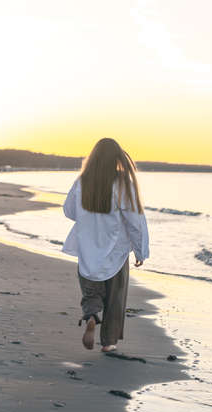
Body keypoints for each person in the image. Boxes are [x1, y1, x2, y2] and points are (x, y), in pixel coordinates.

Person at [62, 138, 149, 352]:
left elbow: (69, 211)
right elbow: (135, 220)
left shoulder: (83, 181)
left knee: (91, 291)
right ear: (117, 158)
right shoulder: (123, 183)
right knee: (115, 297)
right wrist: (141, 250)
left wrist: (89, 219)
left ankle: (91, 316)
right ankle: (109, 343)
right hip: (116, 250)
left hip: (87, 246)